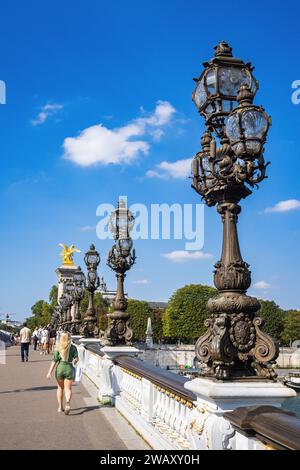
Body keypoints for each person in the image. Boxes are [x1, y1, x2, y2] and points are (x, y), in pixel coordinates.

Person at [46, 332, 78, 414]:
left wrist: (49, 372)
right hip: (69, 368)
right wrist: (74, 361)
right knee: (68, 389)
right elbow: (76, 359)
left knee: (60, 388)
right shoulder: (73, 347)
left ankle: (60, 407)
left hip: (60, 368)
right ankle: (67, 402)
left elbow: (54, 361)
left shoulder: (58, 348)